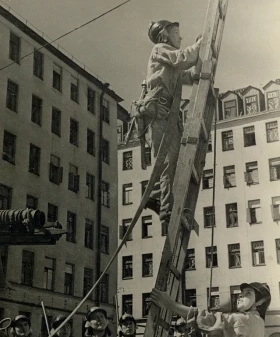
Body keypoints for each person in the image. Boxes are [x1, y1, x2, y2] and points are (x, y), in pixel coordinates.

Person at [131, 20, 202, 227]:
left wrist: (200, 65)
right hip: (158, 115)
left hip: (166, 115)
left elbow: (187, 75)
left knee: (172, 160)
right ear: (163, 35)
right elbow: (182, 59)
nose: (180, 37)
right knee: (169, 160)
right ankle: (167, 208)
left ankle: (155, 197)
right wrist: (201, 45)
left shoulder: (168, 61)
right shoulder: (160, 49)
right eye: (176, 33)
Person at [151, 282, 271, 337]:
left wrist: (169, 303)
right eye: (241, 293)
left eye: (248, 293)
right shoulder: (259, 322)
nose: (241, 295)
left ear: (260, 301)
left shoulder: (245, 319)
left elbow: (208, 320)